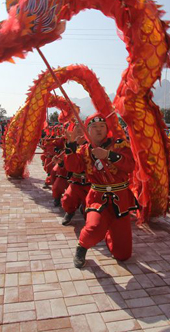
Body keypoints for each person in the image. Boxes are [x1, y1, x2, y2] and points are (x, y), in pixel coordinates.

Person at [65, 114, 139, 268]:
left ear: (107, 129)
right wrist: (71, 145)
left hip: (121, 199)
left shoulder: (119, 145)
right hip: (98, 197)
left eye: (102, 127)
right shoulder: (84, 149)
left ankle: (110, 233)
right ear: (87, 130)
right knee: (94, 228)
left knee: (123, 255)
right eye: (94, 127)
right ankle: (82, 247)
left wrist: (108, 155)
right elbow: (73, 167)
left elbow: (130, 165)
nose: (99, 130)